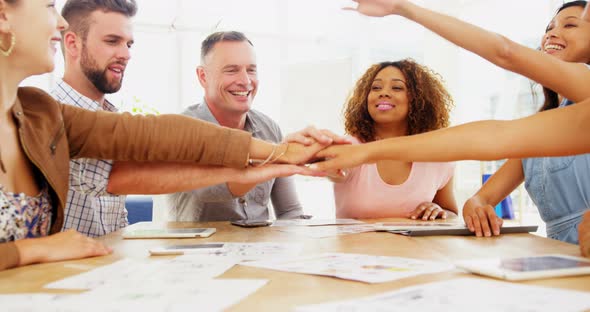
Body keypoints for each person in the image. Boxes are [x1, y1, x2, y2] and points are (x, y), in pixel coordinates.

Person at [0, 0, 324, 271]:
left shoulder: (37, 110)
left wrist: (272, 159)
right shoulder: (47, 109)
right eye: (47, 6)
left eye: (128, 43)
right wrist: (32, 250)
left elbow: (150, 141)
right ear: (3, 15)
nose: (59, 22)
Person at [325, 0, 590, 243]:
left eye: (570, 25)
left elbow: (505, 52)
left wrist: (403, 8)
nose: (551, 34)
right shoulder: (549, 125)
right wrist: (475, 205)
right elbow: (492, 138)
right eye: (549, 27)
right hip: (563, 255)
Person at [166, 31, 311, 222]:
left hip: (261, 249)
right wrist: (279, 156)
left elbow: (290, 211)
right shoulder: (183, 129)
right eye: (232, 70)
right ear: (203, 76)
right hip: (198, 250)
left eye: (251, 70)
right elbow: (212, 190)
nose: (245, 81)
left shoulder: (270, 129)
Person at [331, 60, 457, 220]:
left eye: (397, 87)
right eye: (375, 87)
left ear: (419, 99)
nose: (383, 93)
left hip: (415, 246)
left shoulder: (439, 158)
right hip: (356, 245)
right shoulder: (351, 146)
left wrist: (438, 210)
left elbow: (451, 213)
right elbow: (333, 170)